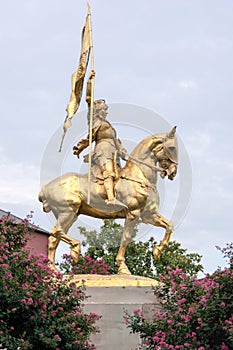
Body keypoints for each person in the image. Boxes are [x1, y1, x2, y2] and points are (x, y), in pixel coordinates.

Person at [73, 72, 127, 208]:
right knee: (108, 172)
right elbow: (89, 100)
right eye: (104, 109)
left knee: (121, 175)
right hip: (102, 151)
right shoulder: (94, 119)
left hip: (113, 152)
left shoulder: (108, 124)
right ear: (98, 110)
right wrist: (90, 82)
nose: (106, 112)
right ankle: (110, 199)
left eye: (106, 110)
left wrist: (122, 151)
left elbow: (116, 141)